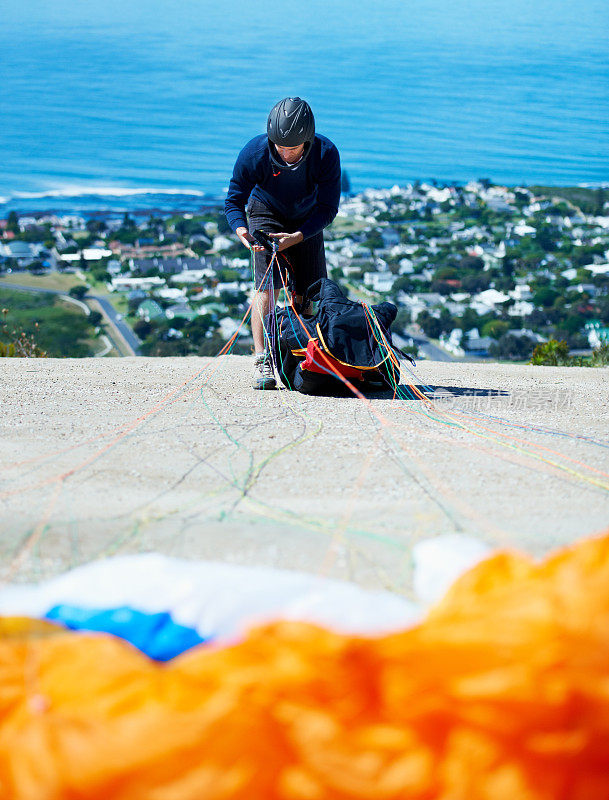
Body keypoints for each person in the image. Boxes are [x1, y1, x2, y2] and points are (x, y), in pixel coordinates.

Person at [224, 97, 341, 389]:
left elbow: (328, 209)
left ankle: (299, 354)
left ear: (308, 140)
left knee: (309, 292)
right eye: (280, 146)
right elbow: (234, 201)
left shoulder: (326, 154)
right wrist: (241, 231)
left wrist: (299, 236)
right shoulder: (254, 153)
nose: (287, 153)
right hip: (266, 212)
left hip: (307, 218)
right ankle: (262, 359)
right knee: (267, 286)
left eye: (294, 147)